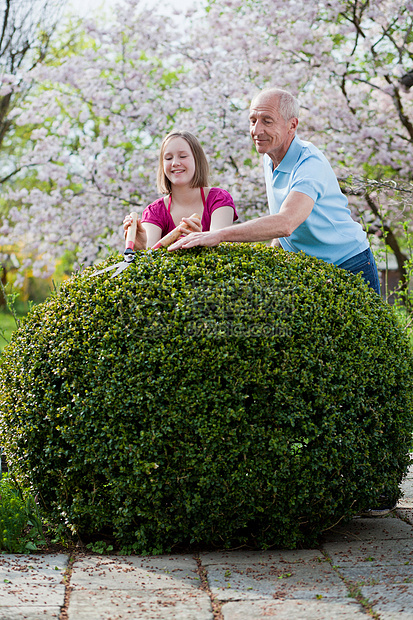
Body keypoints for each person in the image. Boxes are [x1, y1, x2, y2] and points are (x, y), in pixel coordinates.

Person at [168, 88, 381, 296]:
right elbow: (280, 221)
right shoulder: (269, 156)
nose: (256, 130)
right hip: (312, 269)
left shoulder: (309, 165)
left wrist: (217, 235)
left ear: (292, 126)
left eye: (267, 121)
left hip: (350, 264)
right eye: (253, 120)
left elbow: (286, 222)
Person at [123, 130, 238, 249]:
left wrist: (200, 241)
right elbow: (149, 257)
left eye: (183, 156)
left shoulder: (219, 199)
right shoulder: (155, 212)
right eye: (168, 158)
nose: (175, 163)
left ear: (197, 160)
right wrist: (141, 247)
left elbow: (220, 249)